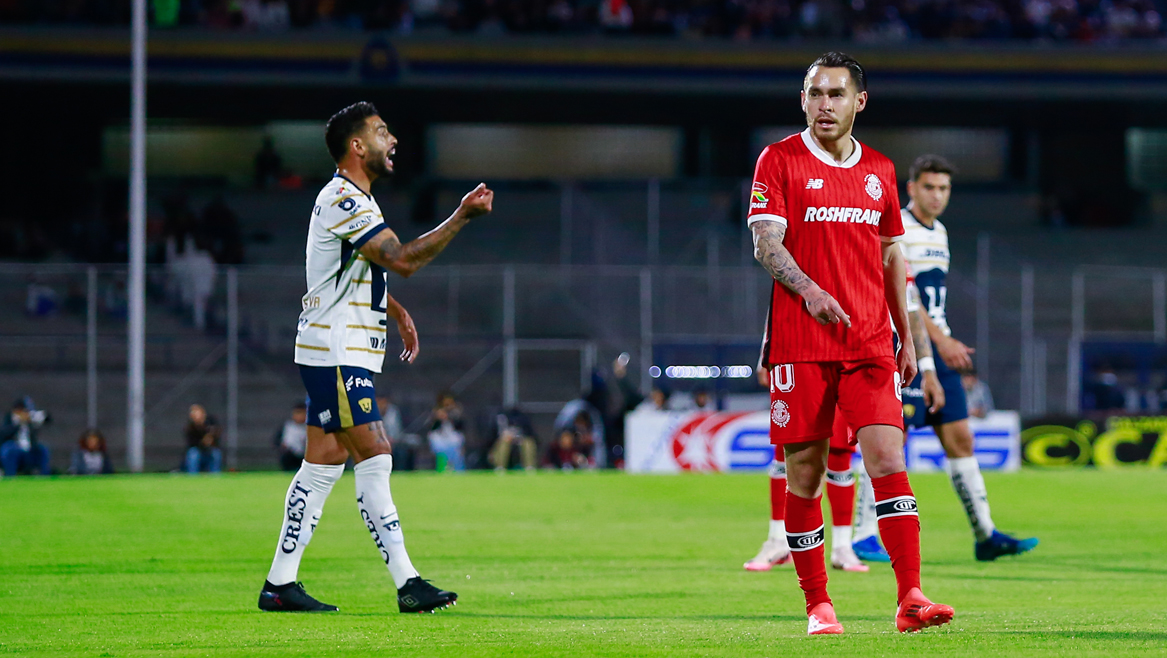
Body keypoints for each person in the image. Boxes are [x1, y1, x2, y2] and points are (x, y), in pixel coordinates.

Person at [747, 52, 953, 634]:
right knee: (805, 475)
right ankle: (818, 604)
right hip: (801, 344)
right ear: (803, 99)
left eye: (836, 94)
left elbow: (891, 255)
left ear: (859, 101)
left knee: (888, 461)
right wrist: (810, 291)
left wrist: (906, 336)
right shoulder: (779, 159)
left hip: (869, 342)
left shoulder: (880, 169)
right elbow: (765, 243)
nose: (824, 104)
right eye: (815, 93)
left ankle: (910, 597)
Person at [259, 101, 493, 614]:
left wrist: (394, 309)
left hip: (335, 348)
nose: (393, 140)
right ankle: (408, 582)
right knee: (377, 453)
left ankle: (279, 583)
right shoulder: (345, 199)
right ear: (357, 145)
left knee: (323, 463)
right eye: (382, 131)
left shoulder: (355, 200)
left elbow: (352, 276)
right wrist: (461, 216)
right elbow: (402, 259)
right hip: (336, 351)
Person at [898, 154, 1038, 562]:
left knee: (961, 438)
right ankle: (863, 534)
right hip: (905, 348)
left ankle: (985, 535)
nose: (937, 195)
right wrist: (942, 340)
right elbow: (904, 296)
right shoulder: (898, 229)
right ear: (912, 188)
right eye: (929, 187)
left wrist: (943, 340)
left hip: (938, 348)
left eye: (944, 188)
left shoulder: (939, 233)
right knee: (891, 442)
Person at [0, 398, 51, 476]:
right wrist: (17, 423)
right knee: (9, 450)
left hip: (30, 450)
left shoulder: (31, 419)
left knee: (43, 449)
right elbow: (4, 434)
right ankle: (10, 476)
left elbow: (47, 419)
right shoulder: (9, 418)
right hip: (15, 449)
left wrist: (36, 418)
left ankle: (44, 476)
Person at [487, 407, 538, 472]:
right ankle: (500, 468)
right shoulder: (499, 420)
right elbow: (491, 440)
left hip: (520, 440)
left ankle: (529, 467)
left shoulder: (523, 421)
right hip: (503, 442)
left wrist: (519, 438)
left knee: (528, 443)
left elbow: (531, 435)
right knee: (504, 443)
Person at [427, 392, 466, 472]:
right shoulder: (436, 411)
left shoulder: (456, 412)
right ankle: (442, 468)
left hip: (453, 438)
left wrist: (450, 417)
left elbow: (460, 427)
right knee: (435, 440)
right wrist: (438, 419)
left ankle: (458, 470)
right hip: (440, 438)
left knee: (457, 443)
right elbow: (432, 428)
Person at [184, 404, 223, 473]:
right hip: (198, 451)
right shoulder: (190, 427)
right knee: (193, 454)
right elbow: (191, 443)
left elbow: (217, 436)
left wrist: (210, 439)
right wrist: (202, 442)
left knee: (216, 453)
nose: (196, 417)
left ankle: (215, 476)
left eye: (197, 414)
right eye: (194, 415)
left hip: (210, 451)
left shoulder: (211, 422)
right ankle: (192, 476)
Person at [273, 401, 309, 472]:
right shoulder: (287, 426)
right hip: (291, 455)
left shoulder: (309, 428)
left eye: (303, 413)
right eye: (298, 413)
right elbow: (277, 441)